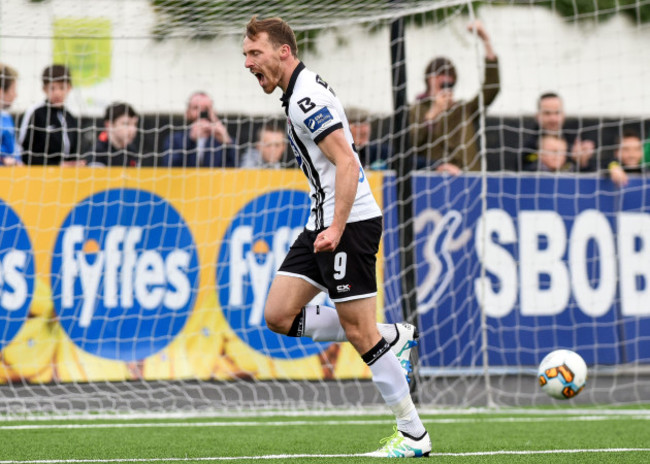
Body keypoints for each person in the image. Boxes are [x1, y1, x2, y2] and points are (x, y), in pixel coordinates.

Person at [243, 16, 430, 458]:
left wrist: (337, 227)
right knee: (279, 314)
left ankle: (413, 435)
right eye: (246, 55)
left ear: (283, 52)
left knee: (359, 334)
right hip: (323, 221)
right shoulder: (297, 92)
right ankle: (391, 336)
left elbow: (347, 162)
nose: (249, 63)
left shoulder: (305, 97)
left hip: (348, 222)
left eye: (255, 54)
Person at [409, 20, 500, 173]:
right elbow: (409, 145)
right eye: (440, 76)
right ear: (429, 78)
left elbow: (491, 88)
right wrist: (432, 114)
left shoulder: (463, 109)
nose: (445, 81)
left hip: (467, 177)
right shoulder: (416, 110)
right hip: (431, 179)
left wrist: (485, 39)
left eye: (449, 78)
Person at [18, 64, 82, 166]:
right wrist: (57, 165)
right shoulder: (35, 113)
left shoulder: (70, 117)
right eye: (52, 88)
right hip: (39, 175)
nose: (57, 93)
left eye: (62, 88)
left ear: (69, 88)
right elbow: (22, 151)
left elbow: (74, 152)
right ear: (44, 89)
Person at [521, 92, 597, 172]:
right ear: (538, 116)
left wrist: (582, 162)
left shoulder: (577, 139)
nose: (553, 119)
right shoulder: (527, 143)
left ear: (563, 114)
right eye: (547, 113)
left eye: (557, 113)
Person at [161, 91, 237, 167]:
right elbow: (169, 166)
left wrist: (227, 143)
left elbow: (236, 168)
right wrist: (190, 140)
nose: (202, 112)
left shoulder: (222, 141)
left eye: (206, 108)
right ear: (187, 113)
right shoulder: (175, 140)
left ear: (214, 112)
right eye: (196, 108)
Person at [83, 102, 140, 167]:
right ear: (109, 125)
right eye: (126, 124)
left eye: (135, 124)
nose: (133, 129)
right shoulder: (98, 153)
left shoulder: (131, 151)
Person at [0, 63, 22, 166]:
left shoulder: (7, 118)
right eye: (13, 89)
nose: (16, 95)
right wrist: (3, 159)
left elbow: (14, 152)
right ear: (1, 91)